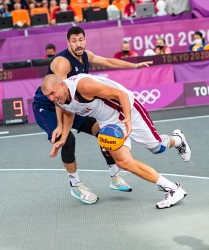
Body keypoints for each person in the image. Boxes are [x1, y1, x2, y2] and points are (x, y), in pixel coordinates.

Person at [33, 26, 153, 205]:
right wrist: (60, 125)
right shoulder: (62, 63)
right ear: (68, 43)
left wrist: (133, 65)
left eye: (81, 39)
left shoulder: (85, 56)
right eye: (74, 41)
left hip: (72, 104)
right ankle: (76, 185)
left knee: (102, 130)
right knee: (67, 140)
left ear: (85, 40)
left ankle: (114, 176)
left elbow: (108, 61)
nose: (78, 43)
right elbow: (58, 97)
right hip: (49, 107)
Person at [42, 73, 191, 209]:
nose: (51, 98)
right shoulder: (59, 98)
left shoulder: (83, 86)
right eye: (48, 95)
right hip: (107, 122)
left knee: (157, 147)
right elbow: (69, 112)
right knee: (123, 162)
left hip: (126, 109)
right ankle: (173, 189)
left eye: (52, 93)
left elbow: (121, 94)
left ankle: (178, 140)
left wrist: (127, 119)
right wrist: (64, 136)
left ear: (62, 85)